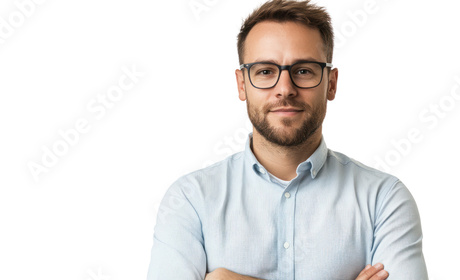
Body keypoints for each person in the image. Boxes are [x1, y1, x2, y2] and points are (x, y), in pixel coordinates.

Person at [147, 0, 428, 279]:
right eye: (265, 71)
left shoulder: (384, 200)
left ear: (331, 83)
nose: (285, 89)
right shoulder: (189, 199)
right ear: (241, 84)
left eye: (304, 70)